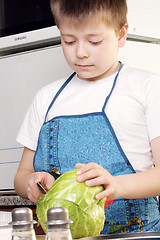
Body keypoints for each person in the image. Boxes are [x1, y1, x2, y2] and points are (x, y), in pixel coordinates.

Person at [14, 0, 160, 235]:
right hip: (63, 235)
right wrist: (32, 183)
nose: (80, 52)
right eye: (69, 41)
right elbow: (21, 175)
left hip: (137, 234)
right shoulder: (46, 98)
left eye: (94, 41)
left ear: (121, 34)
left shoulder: (147, 87)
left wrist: (117, 185)